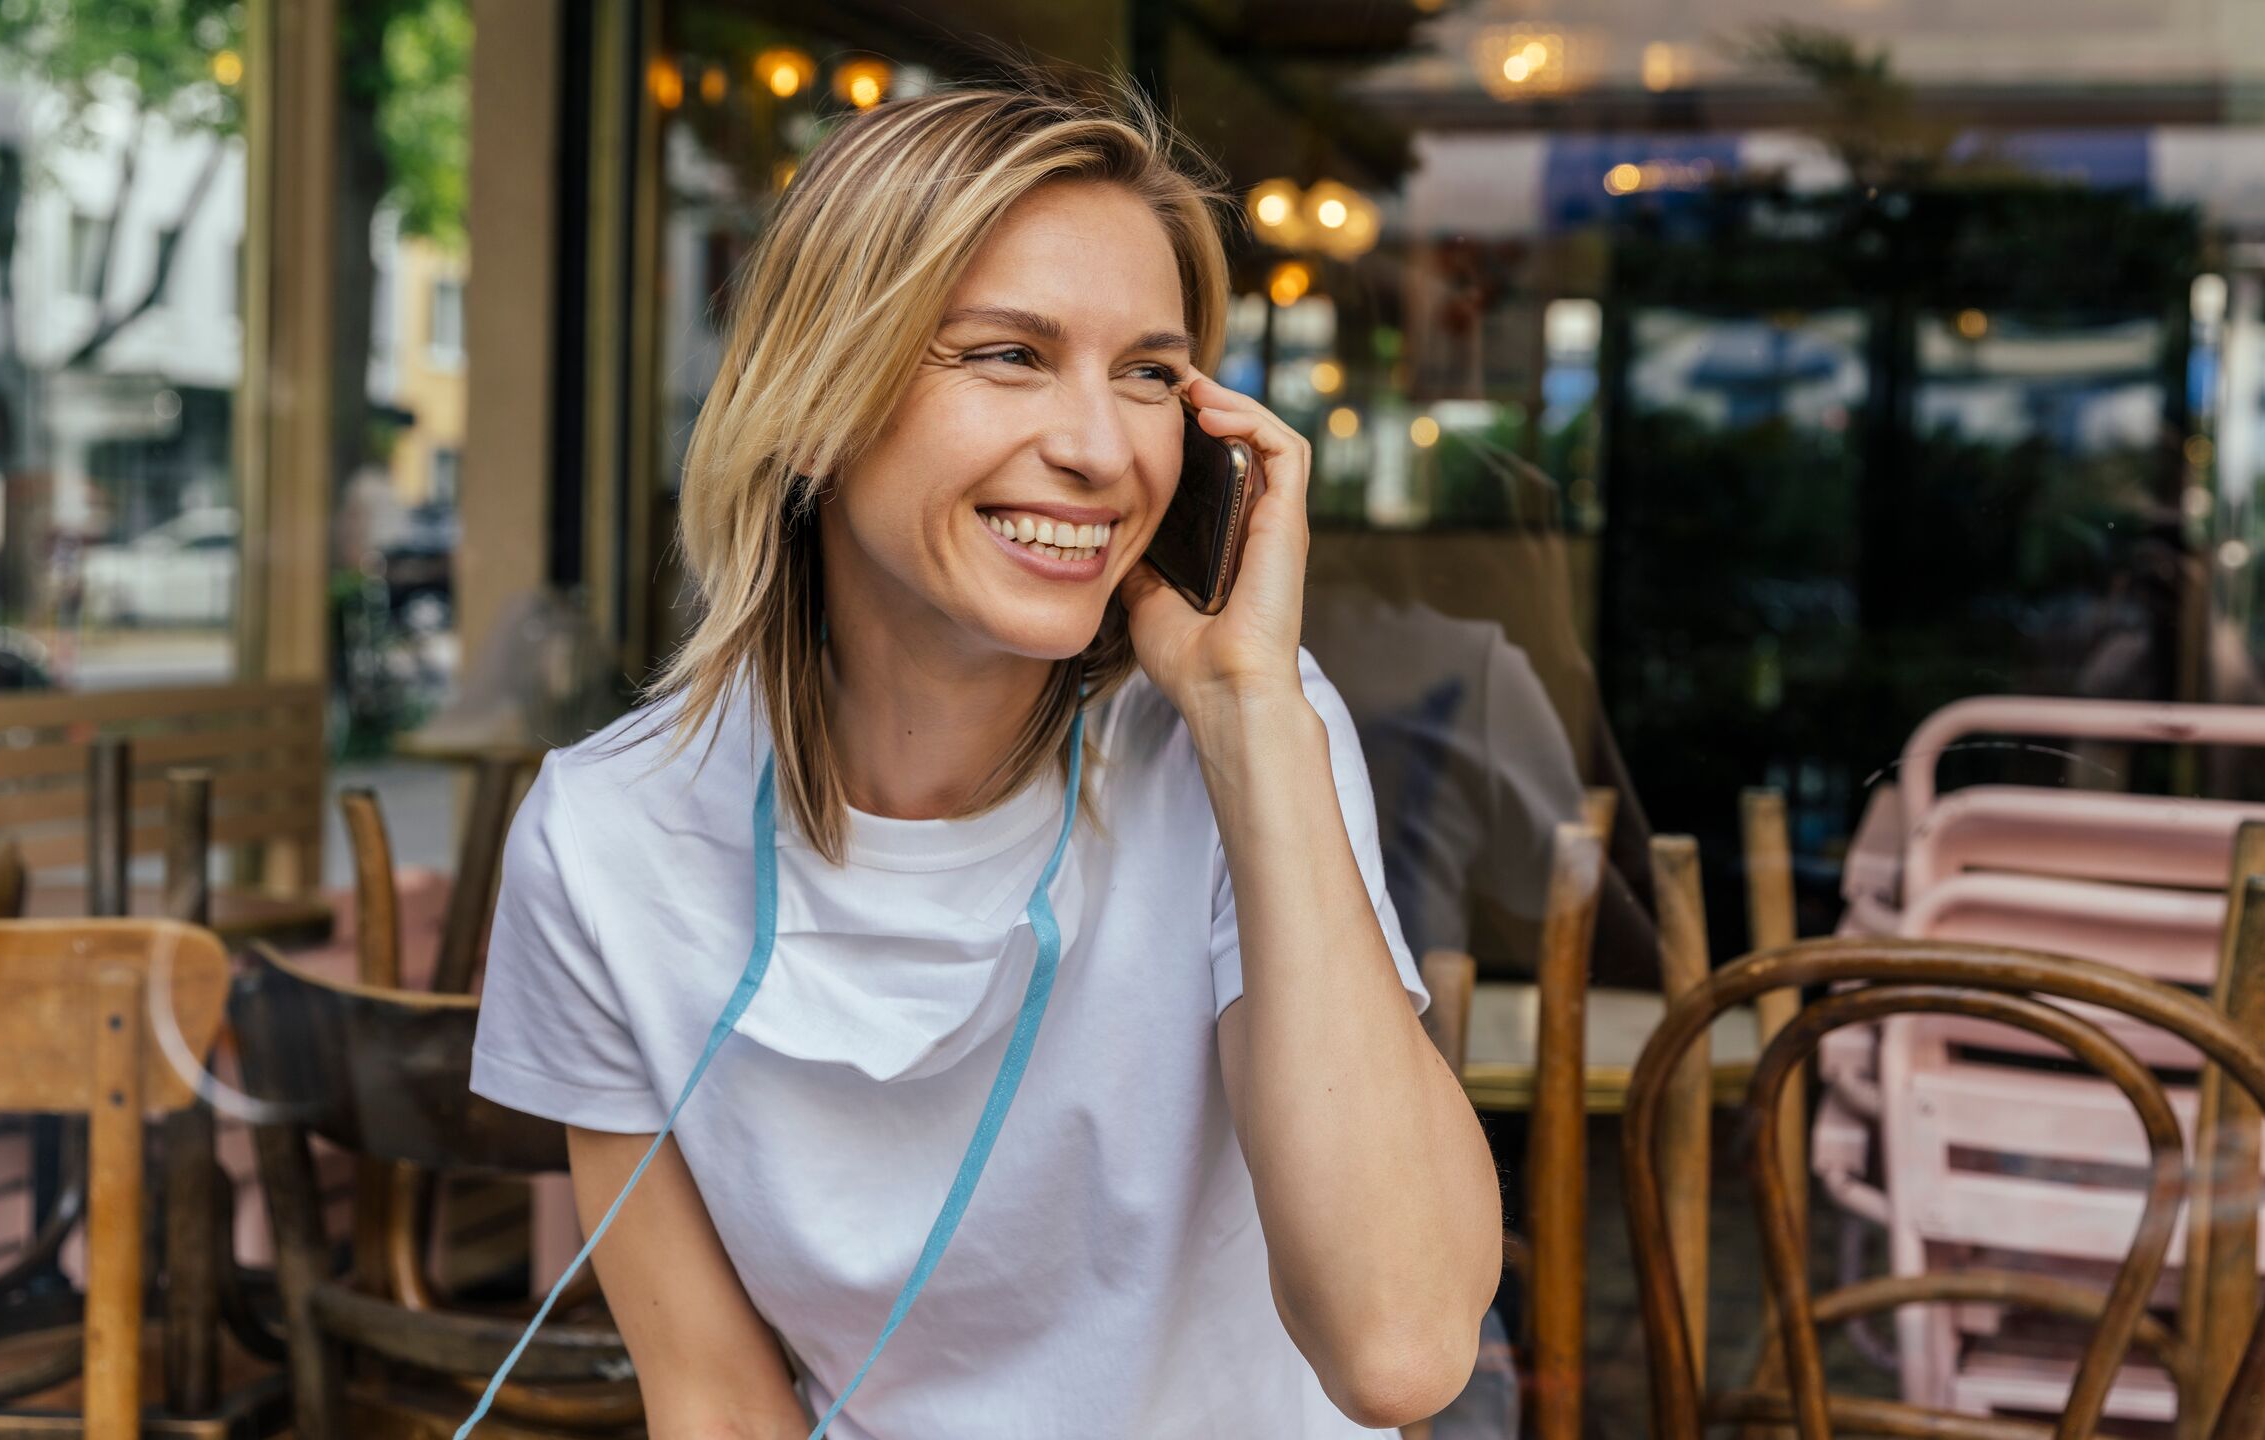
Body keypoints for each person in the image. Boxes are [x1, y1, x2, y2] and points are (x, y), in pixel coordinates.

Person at [467, 83, 1500, 1437]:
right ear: (816, 396)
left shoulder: (1243, 743)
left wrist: (1253, 713)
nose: (1101, 451)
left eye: (1149, 374)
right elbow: (718, 1405)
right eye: (1011, 355)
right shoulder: (605, 837)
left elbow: (1400, 1350)